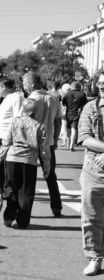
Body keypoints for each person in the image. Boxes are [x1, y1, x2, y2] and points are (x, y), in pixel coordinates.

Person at [0, 98, 50, 229]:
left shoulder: (14, 122)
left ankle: (8, 217)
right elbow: (44, 149)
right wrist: (46, 166)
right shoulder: (39, 126)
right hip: (29, 161)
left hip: (12, 159)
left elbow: (6, 141)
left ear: (23, 109)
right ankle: (23, 221)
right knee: (26, 192)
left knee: (11, 188)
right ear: (35, 111)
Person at [22, 71, 63, 217]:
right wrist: (56, 139)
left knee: (28, 179)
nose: (24, 87)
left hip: (31, 144)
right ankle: (56, 207)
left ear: (32, 84)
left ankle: (25, 211)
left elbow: (24, 123)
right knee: (51, 176)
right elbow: (58, 121)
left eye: (25, 84)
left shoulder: (30, 100)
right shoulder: (53, 99)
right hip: (49, 143)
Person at [77, 70, 104, 276]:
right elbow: (85, 138)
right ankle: (95, 257)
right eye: (101, 82)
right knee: (91, 217)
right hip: (94, 169)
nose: (102, 86)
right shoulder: (90, 107)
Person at [0, 77, 24, 196]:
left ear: (3, 87)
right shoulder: (5, 98)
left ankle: (7, 189)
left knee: (5, 166)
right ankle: (1, 188)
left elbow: (18, 118)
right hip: (0, 134)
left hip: (8, 137)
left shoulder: (17, 97)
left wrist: (12, 138)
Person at [63, 81, 88, 151]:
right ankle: (71, 146)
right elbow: (85, 104)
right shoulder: (82, 94)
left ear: (72, 87)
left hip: (68, 114)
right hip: (77, 114)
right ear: (78, 87)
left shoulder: (67, 94)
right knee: (74, 130)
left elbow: (64, 104)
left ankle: (68, 145)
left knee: (68, 130)